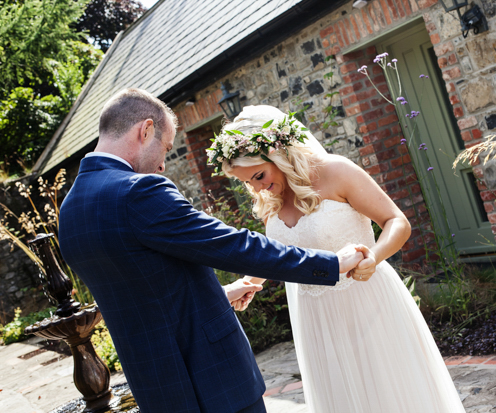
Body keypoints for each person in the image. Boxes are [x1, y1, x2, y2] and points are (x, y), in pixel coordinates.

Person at [58, 89, 369, 413]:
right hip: (212, 382)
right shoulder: (138, 191)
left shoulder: (69, 213)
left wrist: (219, 293)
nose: (163, 164)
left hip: (157, 390)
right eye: (165, 148)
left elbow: (142, 292)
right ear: (145, 130)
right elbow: (233, 246)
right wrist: (332, 263)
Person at [215, 105, 466, 413]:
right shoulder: (271, 196)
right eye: (247, 182)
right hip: (314, 318)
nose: (256, 188)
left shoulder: (336, 171)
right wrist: (249, 283)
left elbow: (396, 221)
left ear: (279, 153)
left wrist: (373, 257)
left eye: (258, 175)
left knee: (386, 392)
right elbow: (281, 252)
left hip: (364, 302)